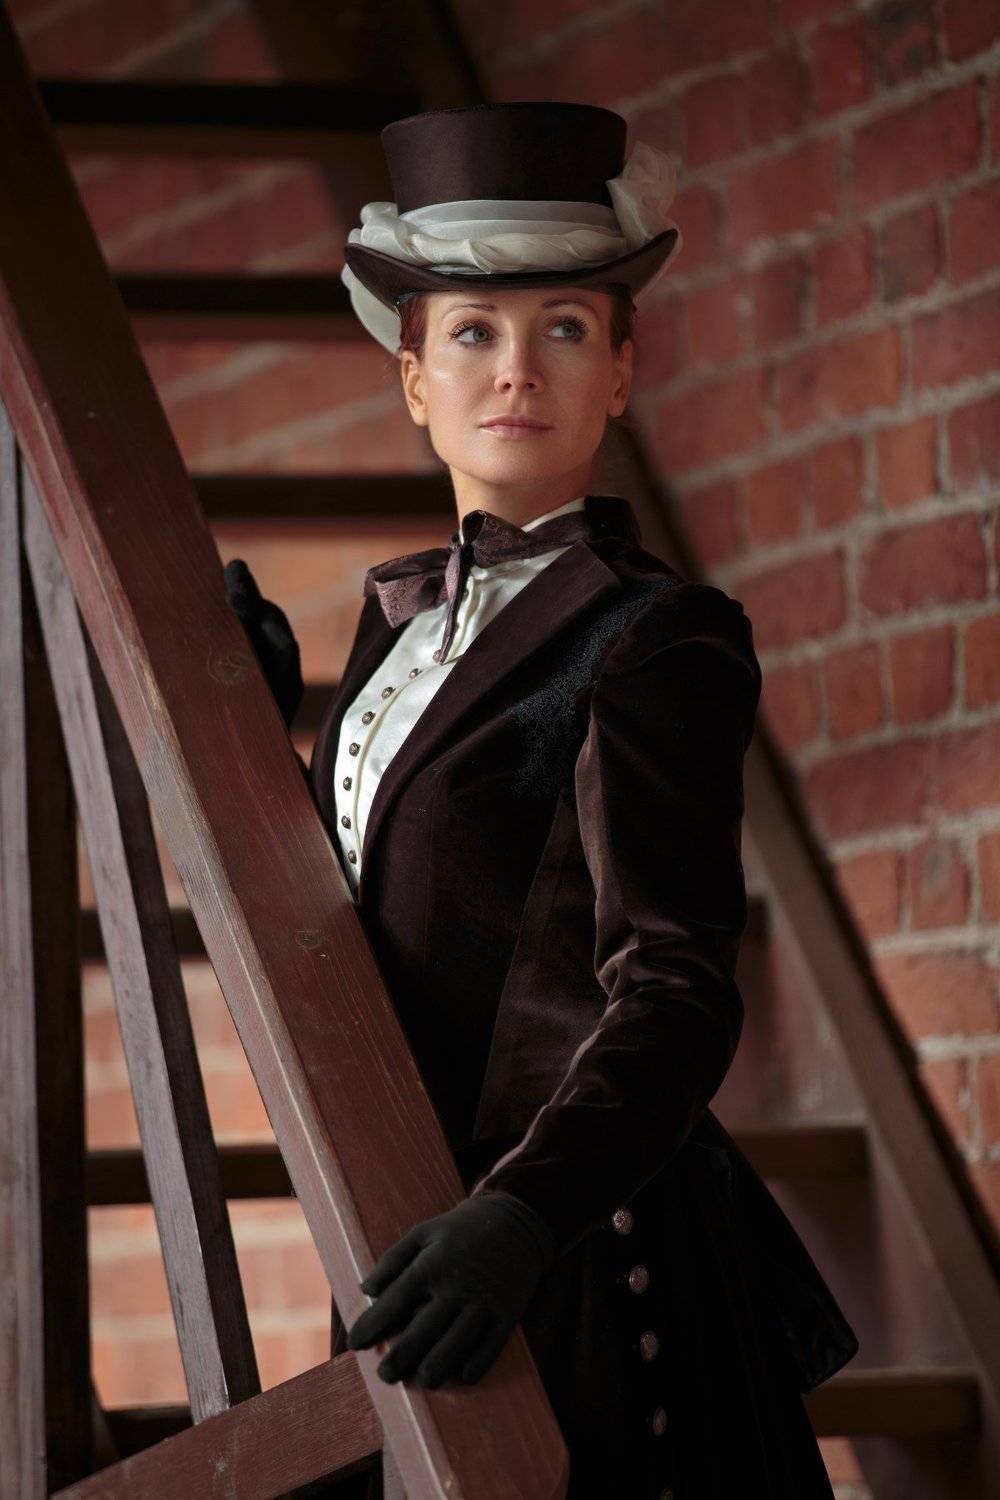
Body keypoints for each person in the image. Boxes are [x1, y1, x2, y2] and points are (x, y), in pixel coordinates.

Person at [226, 102, 858, 1500]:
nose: (517, 369)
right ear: (413, 379)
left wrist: (522, 1213)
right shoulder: (396, 632)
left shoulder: (660, 638)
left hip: (589, 1260)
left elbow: (675, 989)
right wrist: (262, 744)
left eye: (565, 329)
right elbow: (398, 935)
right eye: (473, 333)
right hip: (423, 1235)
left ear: (621, 371)